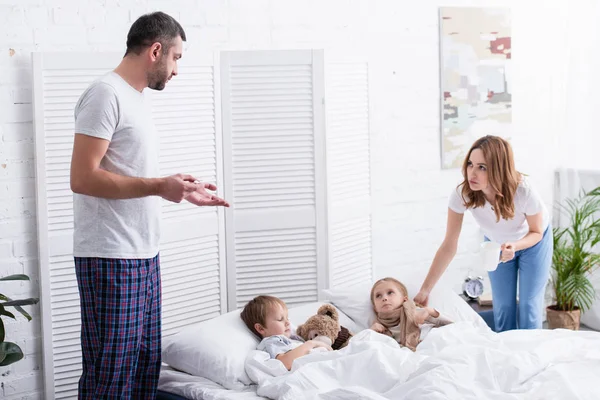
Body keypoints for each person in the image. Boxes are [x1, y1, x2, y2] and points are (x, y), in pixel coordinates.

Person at [69, 12, 229, 399]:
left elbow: (127, 172)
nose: (175, 70)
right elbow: (83, 177)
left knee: (142, 372)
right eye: (175, 58)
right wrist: (160, 186)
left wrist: (180, 188)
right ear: (155, 50)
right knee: (110, 378)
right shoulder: (105, 93)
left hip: (144, 254)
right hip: (110, 257)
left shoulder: (134, 99)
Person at [414, 135, 552, 332]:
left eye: (482, 167)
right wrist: (425, 289)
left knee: (529, 306)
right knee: (503, 307)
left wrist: (515, 246)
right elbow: (449, 245)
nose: (472, 173)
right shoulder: (463, 194)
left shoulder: (523, 191)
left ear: (498, 168)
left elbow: (537, 232)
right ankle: (506, 356)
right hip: (497, 244)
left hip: (533, 243)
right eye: (470, 164)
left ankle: (532, 356)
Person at [240, 295, 332, 371]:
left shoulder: (290, 337)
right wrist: (312, 343)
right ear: (260, 328)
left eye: (287, 318)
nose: (288, 322)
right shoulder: (272, 341)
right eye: (280, 319)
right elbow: (284, 362)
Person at [369, 277, 452, 351]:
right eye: (378, 296)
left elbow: (452, 325)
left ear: (404, 299)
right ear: (375, 308)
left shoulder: (416, 313)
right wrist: (370, 333)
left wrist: (430, 311)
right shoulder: (377, 329)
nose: (384, 298)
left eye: (390, 293)